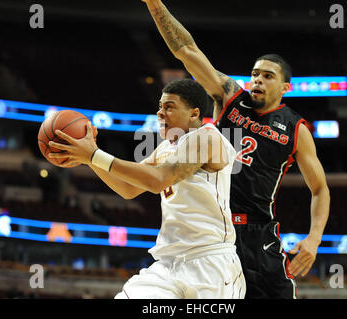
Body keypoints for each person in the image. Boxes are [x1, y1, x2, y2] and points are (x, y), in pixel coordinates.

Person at [142, 0, 330, 299]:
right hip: (214, 231)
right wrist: (154, 5)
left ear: (285, 87)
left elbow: (320, 189)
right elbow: (186, 50)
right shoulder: (229, 96)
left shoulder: (296, 129)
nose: (257, 79)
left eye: (268, 76)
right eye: (255, 73)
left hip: (258, 234)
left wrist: (314, 238)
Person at [48, 79, 246, 299]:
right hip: (169, 265)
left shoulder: (208, 138)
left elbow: (159, 180)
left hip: (211, 263)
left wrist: (94, 155)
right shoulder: (166, 147)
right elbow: (128, 188)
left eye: (169, 107)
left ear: (194, 113)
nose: (160, 113)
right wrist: (91, 158)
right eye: (160, 107)